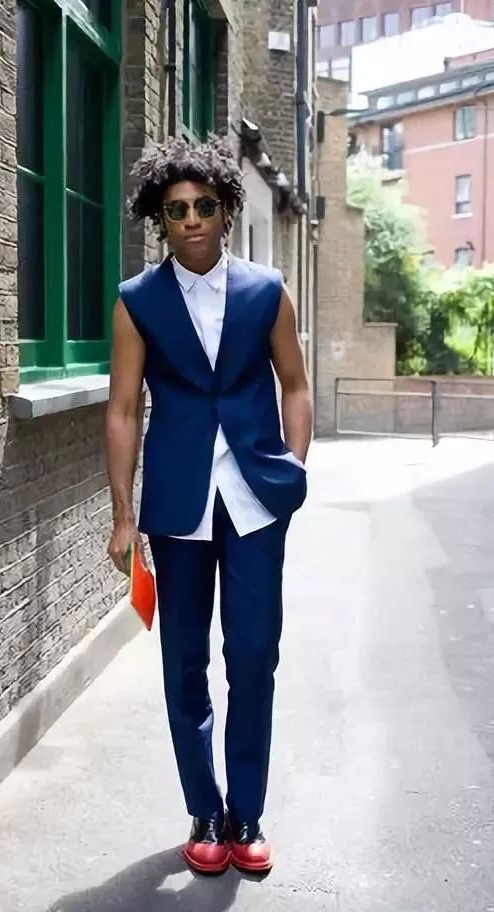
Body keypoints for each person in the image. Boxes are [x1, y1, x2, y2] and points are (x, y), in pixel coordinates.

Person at [105, 137, 312, 877]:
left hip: (256, 501)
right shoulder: (138, 301)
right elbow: (122, 409)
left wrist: (293, 469)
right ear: (159, 220)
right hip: (178, 505)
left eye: (203, 206)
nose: (191, 219)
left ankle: (246, 812)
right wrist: (122, 514)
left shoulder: (267, 291)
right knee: (184, 662)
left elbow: (295, 384)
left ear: (226, 211)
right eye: (175, 210)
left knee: (253, 656)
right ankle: (204, 809)